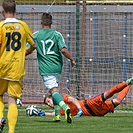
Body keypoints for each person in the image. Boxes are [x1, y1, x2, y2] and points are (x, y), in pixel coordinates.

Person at [27, 12, 76, 123]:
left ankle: (65, 108)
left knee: (54, 90)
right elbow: (63, 49)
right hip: (57, 66)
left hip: (46, 67)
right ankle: (57, 115)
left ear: (41, 22)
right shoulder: (57, 34)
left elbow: (28, 49)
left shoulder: (36, 35)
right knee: (53, 90)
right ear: (51, 22)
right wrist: (72, 59)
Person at [0, 0, 36, 133]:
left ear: (2, 10)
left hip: (2, 67)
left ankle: (0, 119)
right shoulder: (23, 25)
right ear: (15, 11)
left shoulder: (1, 26)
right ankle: (11, 131)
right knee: (12, 99)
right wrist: (26, 52)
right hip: (16, 68)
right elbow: (34, 45)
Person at [36, 77, 133, 117]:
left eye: (49, 101)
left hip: (89, 104)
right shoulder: (59, 111)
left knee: (108, 94)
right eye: (47, 104)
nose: (49, 104)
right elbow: (53, 113)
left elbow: (73, 99)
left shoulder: (63, 98)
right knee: (116, 101)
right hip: (95, 113)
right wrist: (42, 113)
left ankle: (127, 82)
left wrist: (79, 109)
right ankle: (129, 85)